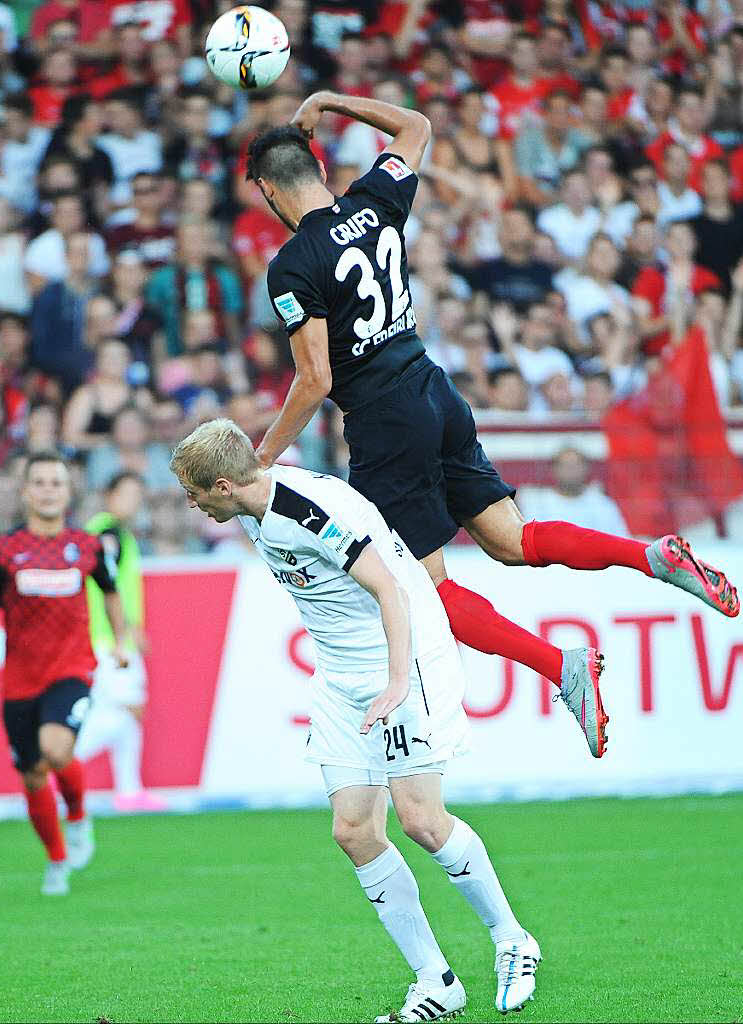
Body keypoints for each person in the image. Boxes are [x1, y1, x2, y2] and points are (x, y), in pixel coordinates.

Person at [246, 92, 741, 759]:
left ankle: (561, 669)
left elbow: (315, 380)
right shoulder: (371, 202)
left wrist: (263, 455)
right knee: (510, 539)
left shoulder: (291, 266)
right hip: (434, 388)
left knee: (423, 593)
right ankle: (648, 555)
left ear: (269, 190)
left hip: (385, 421)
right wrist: (330, 102)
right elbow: (417, 124)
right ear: (323, 172)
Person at [170, 417, 542, 1020]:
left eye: (194, 492)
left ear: (221, 485)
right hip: (340, 675)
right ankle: (436, 982)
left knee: (421, 819)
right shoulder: (249, 503)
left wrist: (398, 681)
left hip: (403, 659)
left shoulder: (306, 511)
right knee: (354, 832)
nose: (190, 504)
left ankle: (511, 939)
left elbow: (391, 590)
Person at [0, 451, 127, 895]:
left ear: (68, 491)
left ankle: (78, 814)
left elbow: (111, 591)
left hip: (72, 669)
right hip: (21, 679)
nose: (47, 490)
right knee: (32, 774)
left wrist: (120, 641)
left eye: (55, 483)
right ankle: (57, 858)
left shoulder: (87, 545)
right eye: (39, 482)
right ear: (25, 491)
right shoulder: (3, 549)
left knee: (56, 751)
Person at [76, 471, 164, 812]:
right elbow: (106, 585)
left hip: (113, 637)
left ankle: (129, 791)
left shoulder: (114, 534)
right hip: (110, 640)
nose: (134, 501)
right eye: (127, 493)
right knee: (126, 710)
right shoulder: (107, 533)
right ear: (109, 495)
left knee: (124, 713)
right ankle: (60, 763)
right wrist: (125, 631)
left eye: (137, 494)